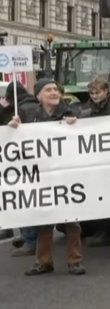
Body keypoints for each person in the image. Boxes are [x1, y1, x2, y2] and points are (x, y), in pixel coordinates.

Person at [9, 79, 86, 276]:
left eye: (55, 89)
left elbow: (88, 126)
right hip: (42, 176)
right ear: (38, 96)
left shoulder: (71, 111)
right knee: (43, 220)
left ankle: (74, 261)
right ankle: (43, 262)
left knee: (72, 221)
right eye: (48, 90)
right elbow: (15, 139)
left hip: (67, 175)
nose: (53, 92)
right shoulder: (30, 115)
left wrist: (76, 123)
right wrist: (13, 127)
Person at [78, 77, 110, 248]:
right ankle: (100, 229)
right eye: (91, 93)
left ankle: (108, 232)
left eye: (97, 92)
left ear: (106, 91)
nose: (94, 96)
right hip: (94, 159)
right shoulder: (85, 109)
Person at [1, 81, 39, 257]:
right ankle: (29, 237)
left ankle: (30, 239)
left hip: (22, 163)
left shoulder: (18, 110)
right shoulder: (34, 105)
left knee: (23, 200)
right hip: (37, 163)